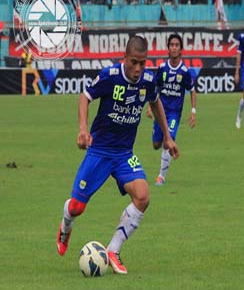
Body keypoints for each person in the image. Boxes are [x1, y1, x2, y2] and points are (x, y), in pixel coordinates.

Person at [56, 36, 179, 275]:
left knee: (143, 197)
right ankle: (65, 225)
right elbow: (85, 97)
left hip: (124, 154)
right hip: (99, 151)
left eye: (143, 63)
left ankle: (113, 250)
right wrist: (83, 129)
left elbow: (156, 103)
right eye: (134, 62)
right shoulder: (110, 76)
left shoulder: (148, 81)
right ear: (125, 58)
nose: (138, 69)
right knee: (77, 207)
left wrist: (167, 137)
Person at [146, 33, 196, 186]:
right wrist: (150, 106)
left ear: (181, 49)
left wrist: (193, 111)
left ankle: (161, 177)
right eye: (172, 45)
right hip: (160, 111)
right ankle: (160, 137)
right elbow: (155, 87)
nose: (174, 47)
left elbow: (192, 90)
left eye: (177, 45)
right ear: (168, 48)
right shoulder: (162, 68)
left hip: (174, 114)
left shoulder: (185, 72)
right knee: (156, 144)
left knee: (169, 142)